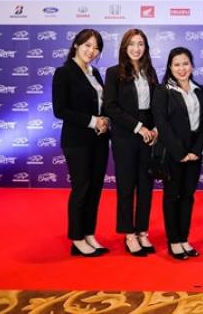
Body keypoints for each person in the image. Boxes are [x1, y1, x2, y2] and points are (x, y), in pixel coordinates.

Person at [52, 28, 110, 257]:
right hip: (77, 141)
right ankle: (77, 239)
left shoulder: (95, 73)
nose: (91, 51)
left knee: (95, 189)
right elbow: (60, 110)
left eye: (96, 48)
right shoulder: (63, 72)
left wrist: (105, 120)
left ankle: (88, 233)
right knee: (82, 188)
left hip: (99, 140)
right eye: (87, 45)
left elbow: (102, 104)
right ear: (76, 44)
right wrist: (93, 121)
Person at [104, 28, 159, 257]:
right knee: (126, 186)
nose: (136, 48)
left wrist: (156, 128)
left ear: (145, 47)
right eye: (132, 44)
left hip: (148, 136)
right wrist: (138, 127)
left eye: (140, 44)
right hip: (125, 135)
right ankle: (129, 234)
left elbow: (157, 104)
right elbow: (110, 107)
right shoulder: (113, 72)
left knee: (146, 186)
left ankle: (142, 231)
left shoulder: (150, 72)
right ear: (124, 47)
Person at [151, 47, 203, 260]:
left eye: (185, 63)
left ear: (191, 65)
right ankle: (174, 241)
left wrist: (195, 151)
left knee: (187, 196)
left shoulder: (200, 90)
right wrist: (180, 152)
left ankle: (184, 239)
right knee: (172, 196)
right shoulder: (163, 90)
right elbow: (162, 124)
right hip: (172, 152)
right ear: (170, 67)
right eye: (177, 64)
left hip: (194, 153)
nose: (182, 68)